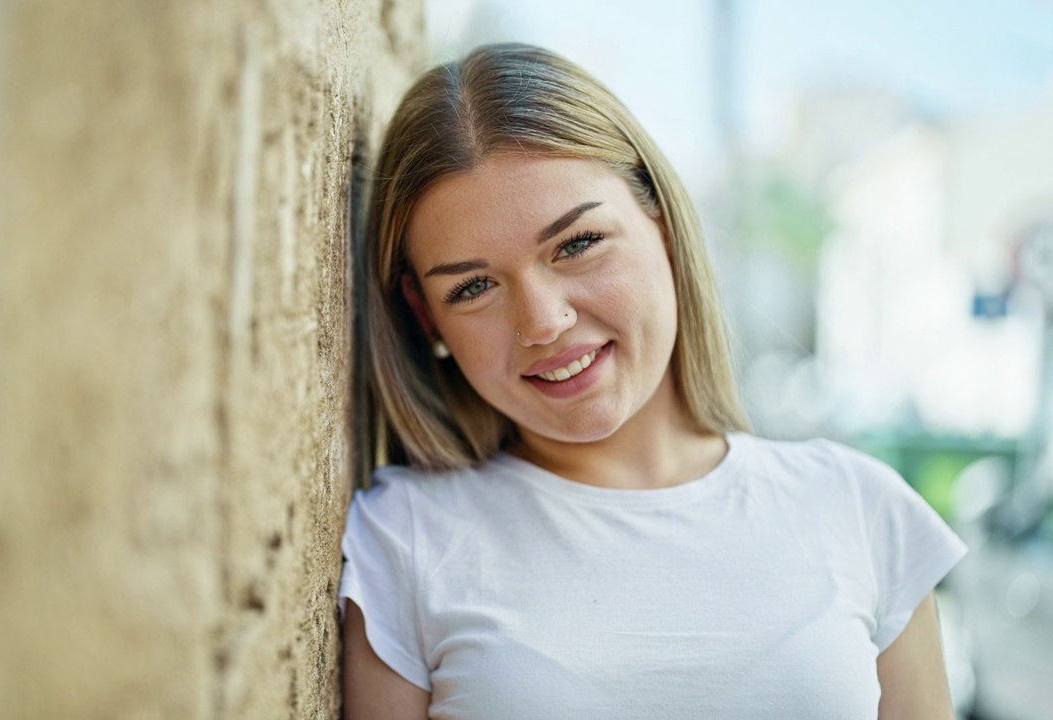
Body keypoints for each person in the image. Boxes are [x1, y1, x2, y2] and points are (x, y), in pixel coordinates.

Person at [339, 43, 966, 719]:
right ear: (423, 313)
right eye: (474, 286)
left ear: (661, 224)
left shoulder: (860, 511)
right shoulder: (402, 542)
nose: (543, 322)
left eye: (576, 244)